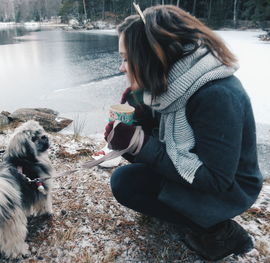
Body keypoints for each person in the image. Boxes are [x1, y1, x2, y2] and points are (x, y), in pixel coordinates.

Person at [104, 5, 263, 261]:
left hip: (230, 188)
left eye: (126, 58)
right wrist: (131, 134)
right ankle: (184, 212)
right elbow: (157, 150)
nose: (122, 67)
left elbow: (216, 180)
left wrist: (141, 144)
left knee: (126, 183)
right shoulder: (169, 85)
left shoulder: (216, 94)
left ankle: (222, 233)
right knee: (126, 182)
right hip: (190, 168)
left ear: (151, 55)